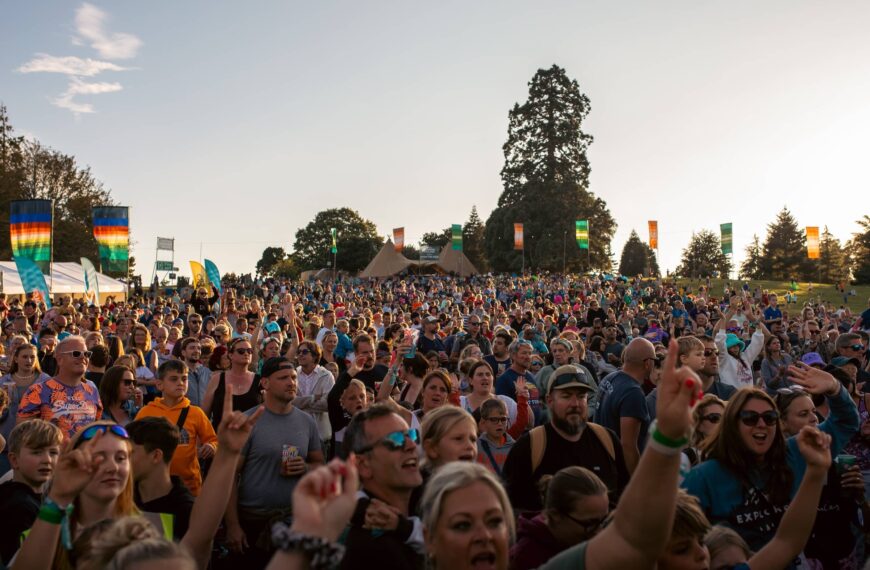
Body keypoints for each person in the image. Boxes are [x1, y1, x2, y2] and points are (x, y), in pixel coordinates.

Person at [682, 363, 859, 552]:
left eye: (769, 417)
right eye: (750, 418)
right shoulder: (704, 477)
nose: (761, 424)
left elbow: (845, 422)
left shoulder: (794, 452)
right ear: (732, 424)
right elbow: (681, 539)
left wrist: (834, 388)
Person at [225, 357, 323, 567]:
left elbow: (321, 466)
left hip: (293, 521)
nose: (291, 382)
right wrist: (232, 525)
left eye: (294, 377)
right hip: (253, 522)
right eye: (283, 378)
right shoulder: (249, 421)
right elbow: (230, 476)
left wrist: (305, 467)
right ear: (265, 383)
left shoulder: (307, 422)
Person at [502, 365, 628, 513]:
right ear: (550, 400)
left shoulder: (608, 440)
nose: (575, 404)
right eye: (566, 396)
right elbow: (511, 511)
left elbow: (625, 497)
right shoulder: (529, 447)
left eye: (581, 396)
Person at [774, 387, 864, 567]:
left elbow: (861, 525)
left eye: (814, 411)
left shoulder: (835, 458)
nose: (814, 418)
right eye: (803, 414)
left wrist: (860, 497)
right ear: (782, 422)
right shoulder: (777, 465)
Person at [339, 404, 424, 570]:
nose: (411, 445)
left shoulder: (429, 504)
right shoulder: (372, 550)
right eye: (396, 440)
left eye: (412, 436)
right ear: (363, 465)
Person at [135, 360, 218, 496]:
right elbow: (134, 445)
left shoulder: (195, 413)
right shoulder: (146, 412)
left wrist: (211, 446)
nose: (180, 383)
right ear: (159, 384)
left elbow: (213, 439)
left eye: (184, 379)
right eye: (174, 379)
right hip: (154, 486)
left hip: (189, 487)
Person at [510, 466, 609, 570]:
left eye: (604, 521)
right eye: (590, 524)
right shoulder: (524, 558)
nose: (600, 532)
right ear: (556, 515)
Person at [0, 419, 62, 564]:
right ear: (14, 460)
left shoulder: (35, 497)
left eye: (53, 452)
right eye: (37, 452)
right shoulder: (18, 507)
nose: (47, 459)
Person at [17, 335, 102, 439]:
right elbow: (22, 434)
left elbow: (96, 429)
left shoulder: (92, 390)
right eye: (76, 353)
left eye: (86, 354)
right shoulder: (37, 391)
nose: (83, 357)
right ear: (60, 359)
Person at [127, 416, 196, 540]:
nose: (122, 459)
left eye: (130, 452)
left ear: (156, 456)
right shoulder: (122, 497)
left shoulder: (186, 510)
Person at [594, 338, 655, 473]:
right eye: (654, 361)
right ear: (648, 363)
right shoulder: (632, 393)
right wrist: (635, 483)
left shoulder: (610, 377)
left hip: (602, 461)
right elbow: (628, 446)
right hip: (618, 471)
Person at [460, 360, 530, 437]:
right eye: (480, 375)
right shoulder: (461, 402)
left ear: (493, 379)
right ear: (470, 380)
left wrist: (523, 397)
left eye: (488, 374)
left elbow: (526, 423)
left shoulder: (506, 402)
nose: (485, 378)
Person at [202, 337, 260, 428]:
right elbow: (204, 415)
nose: (246, 353)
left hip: (251, 439)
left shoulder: (259, 381)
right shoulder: (217, 379)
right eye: (241, 351)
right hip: (220, 438)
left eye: (249, 351)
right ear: (230, 355)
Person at [295, 340, 335, 447]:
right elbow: (290, 403)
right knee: (292, 464)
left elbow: (327, 404)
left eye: (304, 352)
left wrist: (301, 403)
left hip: (319, 436)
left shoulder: (326, 375)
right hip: (295, 434)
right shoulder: (293, 375)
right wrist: (314, 398)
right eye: (298, 352)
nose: (300, 355)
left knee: (318, 464)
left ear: (314, 355)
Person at [495, 340, 543, 424]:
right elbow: (502, 409)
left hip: (535, 430)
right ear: (513, 355)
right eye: (524, 353)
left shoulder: (530, 375)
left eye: (529, 353)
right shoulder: (505, 379)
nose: (528, 356)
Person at [420, 406, 478, 472]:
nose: (470, 446)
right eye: (458, 439)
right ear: (432, 448)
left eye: (473, 440)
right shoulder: (418, 481)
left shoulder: (482, 480)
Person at [476, 398, 517, 477]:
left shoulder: (514, 448)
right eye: (494, 419)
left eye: (503, 419)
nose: (500, 423)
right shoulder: (476, 446)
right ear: (483, 421)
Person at [683, 395, 725, 467]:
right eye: (715, 418)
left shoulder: (736, 455)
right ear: (699, 425)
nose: (721, 423)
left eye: (724, 418)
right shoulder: (688, 458)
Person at [179, 338, 211, 408]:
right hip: (184, 415)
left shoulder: (207, 372)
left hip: (204, 416)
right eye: (192, 348)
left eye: (199, 348)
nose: (196, 351)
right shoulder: (177, 372)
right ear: (183, 352)